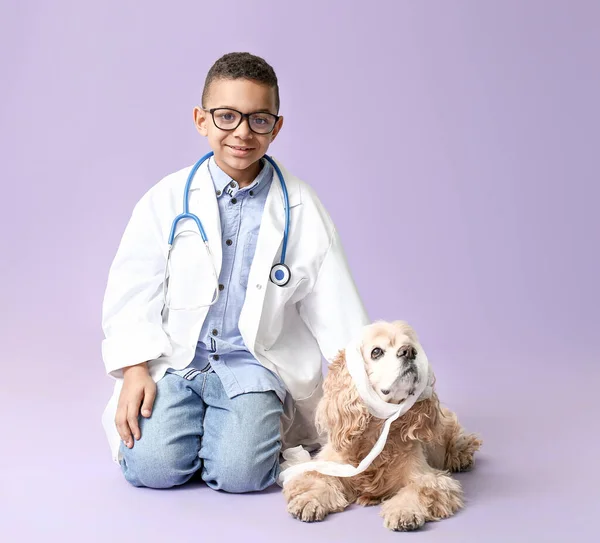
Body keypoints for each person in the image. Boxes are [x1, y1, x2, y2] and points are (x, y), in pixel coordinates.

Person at [101, 52, 369, 493]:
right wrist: (134, 370)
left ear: (276, 127)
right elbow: (132, 290)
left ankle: (241, 431)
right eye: (226, 117)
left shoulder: (302, 208)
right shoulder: (165, 199)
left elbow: (337, 306)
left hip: (253, 367)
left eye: (259, 119)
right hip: (178, 363)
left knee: (241, 475)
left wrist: (366, 388)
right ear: (201, 120)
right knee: (152, 468)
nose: (242, 132)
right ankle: (200, 426)